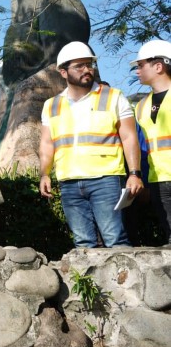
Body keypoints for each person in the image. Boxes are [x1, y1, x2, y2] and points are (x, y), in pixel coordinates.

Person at [39, 41, 144, 248]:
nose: (87, 70)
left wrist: (134, 173)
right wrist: (44, 174)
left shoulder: (113, 96)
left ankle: (123, 281)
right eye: (79, 66)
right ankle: (90, 282)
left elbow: (130, 137)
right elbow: (46, 144)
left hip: (105, 178)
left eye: (89, 65)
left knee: (115, 239)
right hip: (68, 181)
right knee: (83, 243)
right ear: (63, 72)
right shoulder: (51, 105)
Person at [132, 39, 171, 246]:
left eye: (140, 65)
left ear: (158, 66)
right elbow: (142, 147)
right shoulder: (140, 106)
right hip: (157, 179)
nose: (137, 71)